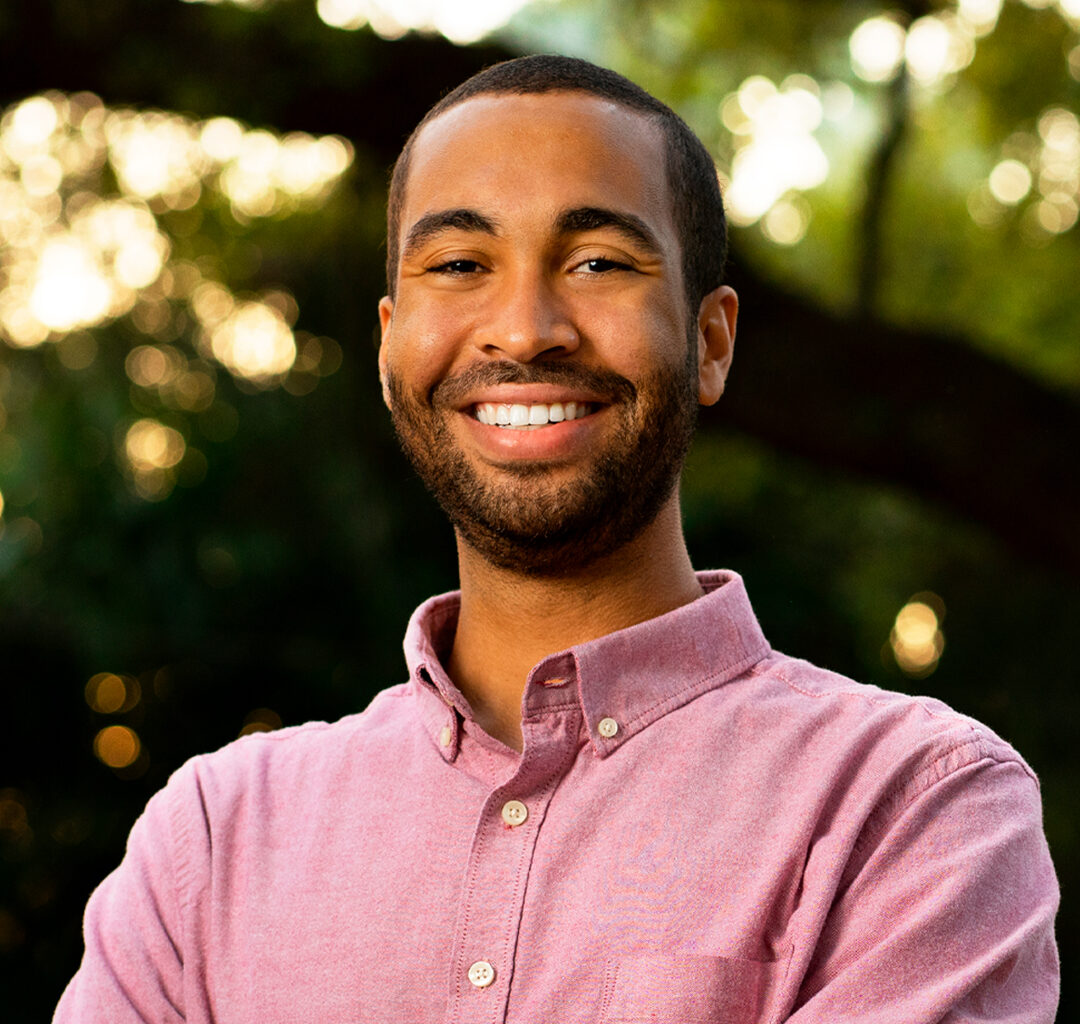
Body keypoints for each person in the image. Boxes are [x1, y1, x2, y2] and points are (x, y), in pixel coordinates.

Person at [56, 55, 1059, 1023]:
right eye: (459, 264)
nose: (526, 329)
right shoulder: (214, 840)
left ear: (711, 341)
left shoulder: (910, 806)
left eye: (596, 262)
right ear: (388, 342)